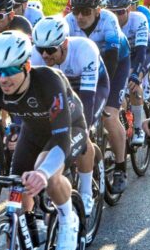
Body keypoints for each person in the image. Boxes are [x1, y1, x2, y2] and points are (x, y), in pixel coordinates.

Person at [0, 31, 86, 250]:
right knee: (17, 187)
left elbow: (61, 139)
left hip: (69, 130)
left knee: (45, 170)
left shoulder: (48, 80)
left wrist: (43, 173)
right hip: (34, 132)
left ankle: (68, 218)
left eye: (9, 71)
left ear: (27, 65)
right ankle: (27, 238)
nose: (2, 79)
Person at [31, 17, 106, 216]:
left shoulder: (84, 50)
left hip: (91, 89)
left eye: (51, 50)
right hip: (62, 91)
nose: (45, 55)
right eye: (40, 50)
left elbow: (88, 98)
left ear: (64, 44)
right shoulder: (37, 56)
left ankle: (87, 191)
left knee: (82, 133)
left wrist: (84, 127)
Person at [65, 0, 129, 193]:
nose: (80, 17)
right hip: (84, 67)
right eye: (76, 12)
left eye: (86, 12)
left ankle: (120, 168)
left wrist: (103, 94)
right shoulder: (68, 23)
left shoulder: (109, 19)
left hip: (115, 64)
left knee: (109, 116)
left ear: (98, 11)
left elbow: (111, 56)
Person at [107, 0, 150, 145]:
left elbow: (141, 52)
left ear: (129, 9)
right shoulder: (107, 22)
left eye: (120, 12)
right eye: (112, 12)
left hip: (142, 54)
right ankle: (123, 120)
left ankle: (139, 127)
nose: (116, 16)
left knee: (134, 84)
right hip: (122, 57)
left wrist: (136, 75)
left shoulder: (139, 19)